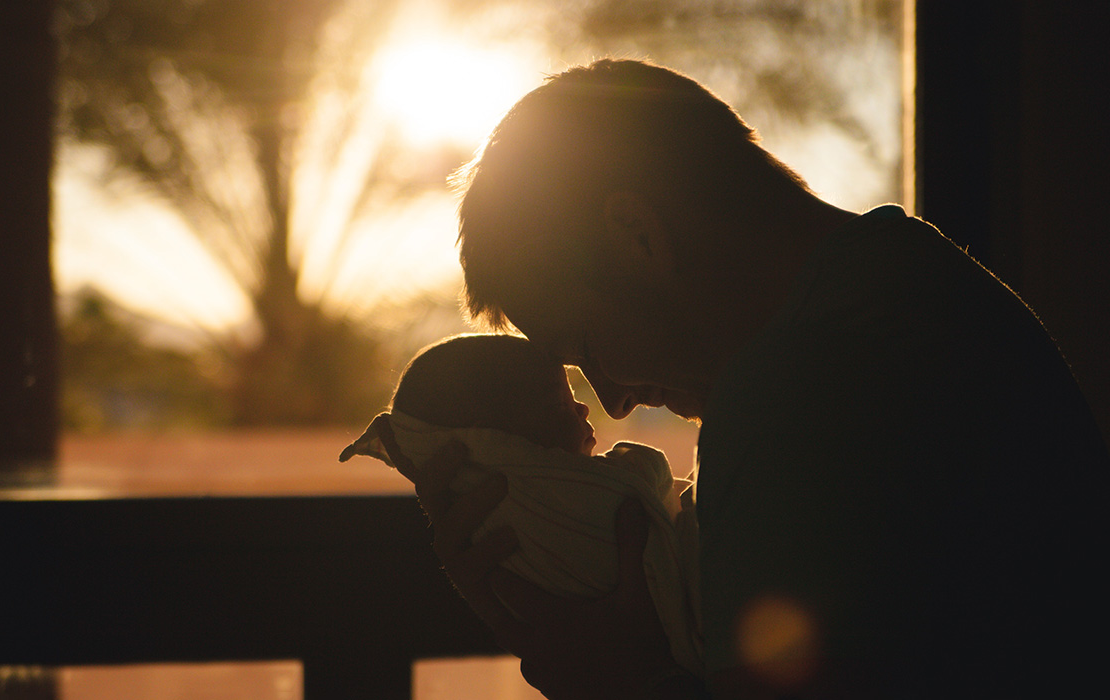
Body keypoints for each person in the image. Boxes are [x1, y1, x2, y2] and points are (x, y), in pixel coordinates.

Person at [390, 59, 1110, 699]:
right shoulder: (921, 284)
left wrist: (609, 675)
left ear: (638, 235)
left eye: (588, 347)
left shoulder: (795, 391)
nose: (611, 400)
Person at [340, 333, 703, 677]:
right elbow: (649, 484)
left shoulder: (491, 525)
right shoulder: (544, 502)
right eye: (559, 403)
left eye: (593, 344)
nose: (589, 406)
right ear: (492, 441)